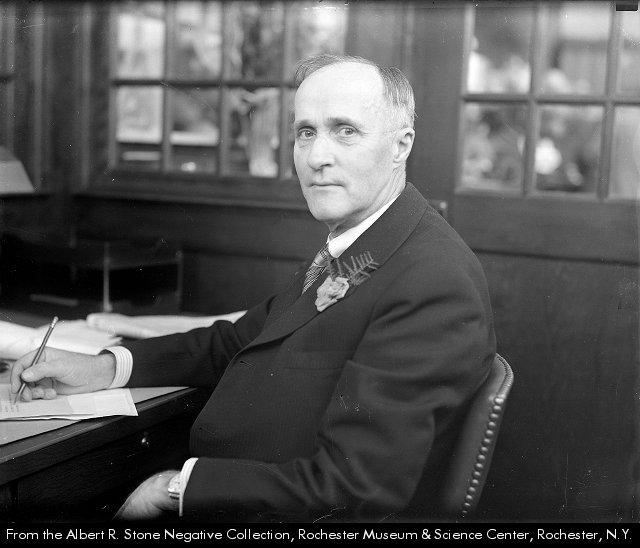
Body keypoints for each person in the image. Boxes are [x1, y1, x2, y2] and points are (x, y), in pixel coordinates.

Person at [10, 54, 496, 522]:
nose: (317, 157)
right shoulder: (360, 242)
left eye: (346, 131)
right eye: (306, 132)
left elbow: (354, 490)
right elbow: (238, 340)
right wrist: (101, 368)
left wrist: (176, 489)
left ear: (401, 145)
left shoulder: (432, 279)